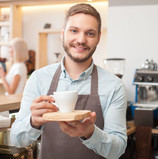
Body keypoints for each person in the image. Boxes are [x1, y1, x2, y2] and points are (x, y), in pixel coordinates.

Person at [10, 3, 127, 159]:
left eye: (90, 34)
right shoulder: (38, 79)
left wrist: (90, 133)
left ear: (98, 38)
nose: (81, 40)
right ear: (63, 33)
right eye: (74, 31)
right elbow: (16, 140)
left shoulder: (114, 86)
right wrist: (33, 122)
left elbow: (118, 150)